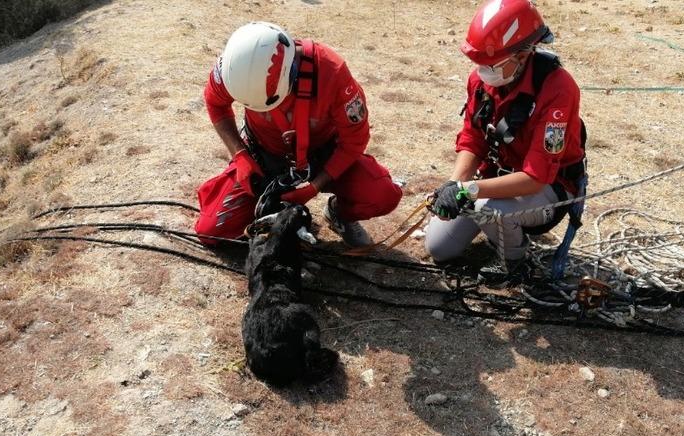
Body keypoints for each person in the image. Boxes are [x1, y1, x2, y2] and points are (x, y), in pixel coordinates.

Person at [195, 22, 402, 247]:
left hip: (323, 155)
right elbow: (215, 104)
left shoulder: (332, 73)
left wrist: (315, 185)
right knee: (210, 231)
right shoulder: (232, 69)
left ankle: (338, 213)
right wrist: (240, 155)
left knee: (381, 195)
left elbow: (355, 140)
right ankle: (272, 212)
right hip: (263, 155)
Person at [425, 0, 587, 272]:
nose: (481, 70)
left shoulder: (559, 89)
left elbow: (536, 177)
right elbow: (473, 137)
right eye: (478, 63)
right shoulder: (482, 80)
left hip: (549, 189)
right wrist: (455, 185)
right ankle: (499, 225)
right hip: (497, 177)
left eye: (489, 63)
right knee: (440, 248)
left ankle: (513, 262)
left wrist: (469, 191)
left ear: (523, 55)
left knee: (489, 208)